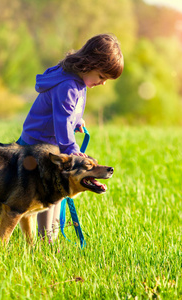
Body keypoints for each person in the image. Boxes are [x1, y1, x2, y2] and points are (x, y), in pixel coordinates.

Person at [17, 33, 124, 242]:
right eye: (102, 76)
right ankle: (46, 239)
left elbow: (66, 113)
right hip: (40, 144)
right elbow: (61, 120)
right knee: (50, 191)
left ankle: (51, 237)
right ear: (89, 64)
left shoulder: (77, 79)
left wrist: (77, 121)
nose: (102, 83)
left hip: (50, 141)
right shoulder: (68, 84)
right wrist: (70, 149)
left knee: (58, 190)